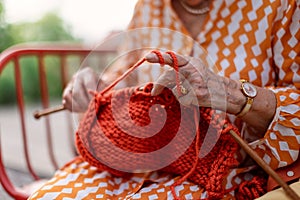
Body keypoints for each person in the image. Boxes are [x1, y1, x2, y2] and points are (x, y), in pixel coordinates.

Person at [29, 0, 300, 199]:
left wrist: (232, 95)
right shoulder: (148, 7)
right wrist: (98, 87)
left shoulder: (280, 6)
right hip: (132, 165)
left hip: (231, 174)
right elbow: (125, 74)